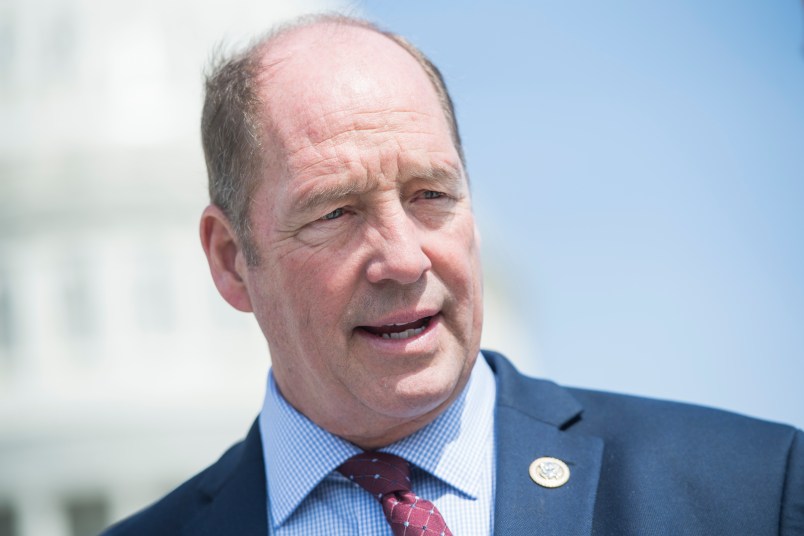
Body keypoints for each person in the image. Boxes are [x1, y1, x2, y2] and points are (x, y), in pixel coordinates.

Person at [102, 14, 803, 535]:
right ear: (231, 260)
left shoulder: (750, 492)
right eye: (337, 212)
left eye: (430, 195)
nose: (405, 259)